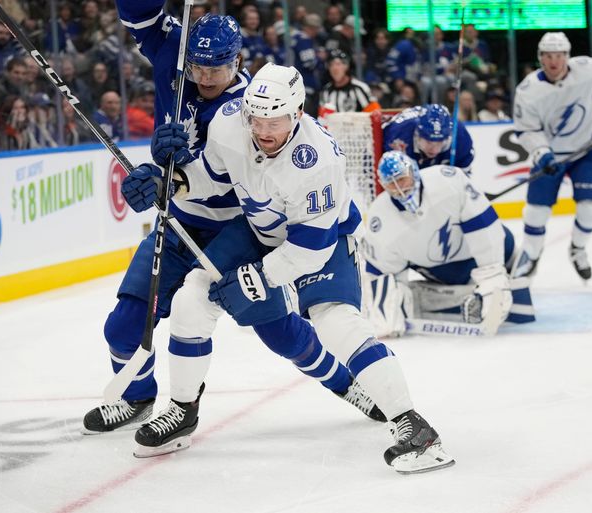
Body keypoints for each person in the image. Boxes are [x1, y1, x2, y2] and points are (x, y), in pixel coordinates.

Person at [126, 63, 455, 475]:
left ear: (297, 113)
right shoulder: (231, 125)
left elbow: (308, 251)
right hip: (258, 230)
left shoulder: (316, 162)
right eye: (256, 118)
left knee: (336, 322)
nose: (263, 130)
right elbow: (210, 177)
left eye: (275, 120)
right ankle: (182, 409)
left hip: (324, 240)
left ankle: (415, 428)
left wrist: (258, 278)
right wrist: (169, 183)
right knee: (193, 295)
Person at [82, 3, 376, 436]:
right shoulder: (174, 66)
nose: (204, 76)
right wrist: (153, 181)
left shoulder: (249, 109)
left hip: (233, 233)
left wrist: (178, 169)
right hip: (178, 224)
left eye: (215, 67)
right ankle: (140, 397)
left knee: (281, 335)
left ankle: (344, 382)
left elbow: (232, 178)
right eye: (197, 66)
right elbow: (138, 12)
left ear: (236, 60)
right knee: (123, 325)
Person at [361, 151, 534, 338]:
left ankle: (500, 281)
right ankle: (453, 295)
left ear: (414, 172)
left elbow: (483, 223)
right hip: (441, 272)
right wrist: (386, 305)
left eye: (402, 179)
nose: (399, 189)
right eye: (391, 184)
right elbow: (381, 271)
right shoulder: (380, 217)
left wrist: (492, 273)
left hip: (474, 253)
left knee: (505, 239)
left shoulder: (447, 180)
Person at [511, 32, 592, 280]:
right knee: (536, 211)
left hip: (585, 151)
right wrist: (542, 154)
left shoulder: (587, 69)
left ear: (567, 56)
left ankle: (577, 249)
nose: (553, 62)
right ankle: (531, 254)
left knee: (591, 209)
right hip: (551, 157)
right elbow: (526, 130)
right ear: (540, 58)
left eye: (558, 56)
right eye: (547, 56)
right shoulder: (528, 91)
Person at [383, 103, 475, 174]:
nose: (434, 149)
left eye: (440, 142)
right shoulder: (397, 136)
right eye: (428, 142)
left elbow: (462, 178)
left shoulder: (460, 138)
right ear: (417, 135)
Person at [319, 49, 377, 113]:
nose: (334, 68)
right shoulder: (326, 91)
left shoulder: (360, 88)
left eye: (338, 64)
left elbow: (375, 113)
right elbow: (322, 119)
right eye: (331, 65)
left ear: (346, 66)